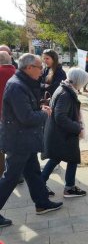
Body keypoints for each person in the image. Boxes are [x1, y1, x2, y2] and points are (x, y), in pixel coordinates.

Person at [0, 53, 63, 228]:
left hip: (25, 140)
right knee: (11, 177)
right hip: (18, 141)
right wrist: (44, 113)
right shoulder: (17, 86)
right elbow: (26, 117)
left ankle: (42, 203)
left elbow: (26, 109)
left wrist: (39, 106)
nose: (42, 70)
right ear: (29, 68)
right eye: (39, 67)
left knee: (33, 172)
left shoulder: (23, 83)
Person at [41, 68, 88, 198]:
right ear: (78, 80)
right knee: (71, 158)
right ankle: (69, 188)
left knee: (56, 158)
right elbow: (60, 116)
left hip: (60, 134)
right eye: (84, 82)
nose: (84, 84)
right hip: (64, 134)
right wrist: (77, 127)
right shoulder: (66, 93)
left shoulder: (64, 88)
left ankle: (41, 185)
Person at [0, 52, 16, 178]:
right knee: (15, 147)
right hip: (18, 116)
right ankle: (17, 174)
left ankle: (3, 174)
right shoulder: (19, 73)